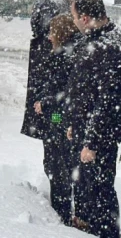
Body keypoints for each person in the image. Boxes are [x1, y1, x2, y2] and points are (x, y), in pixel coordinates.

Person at [66, 0, 121, 237]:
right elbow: (83, 90)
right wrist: (75, 122)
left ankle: (106, 233)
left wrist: (91, 142)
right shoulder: (95, 39)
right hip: (87, 130)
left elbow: (107, 102)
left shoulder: (110, 46)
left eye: (74, 16)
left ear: (84, 18)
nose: (73, 21)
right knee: (89, 190)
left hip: (99, 136)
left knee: (100, 193)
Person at [32, 13, 83, 225]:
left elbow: (65, 92)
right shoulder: (68, 52)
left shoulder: (66, 56)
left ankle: (61, 216)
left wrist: (46, 104)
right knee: (58, 165)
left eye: (52, 32)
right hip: (58, 118)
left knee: (58, 167)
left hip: (60, 118)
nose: (49, 38)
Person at [22, 0, 62, 139]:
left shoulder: (48, 43)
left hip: (49, 105)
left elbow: (55, 79)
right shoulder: (50, 39)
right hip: (49, 104)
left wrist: (42, 101)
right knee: (53, 136)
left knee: (54, 135)